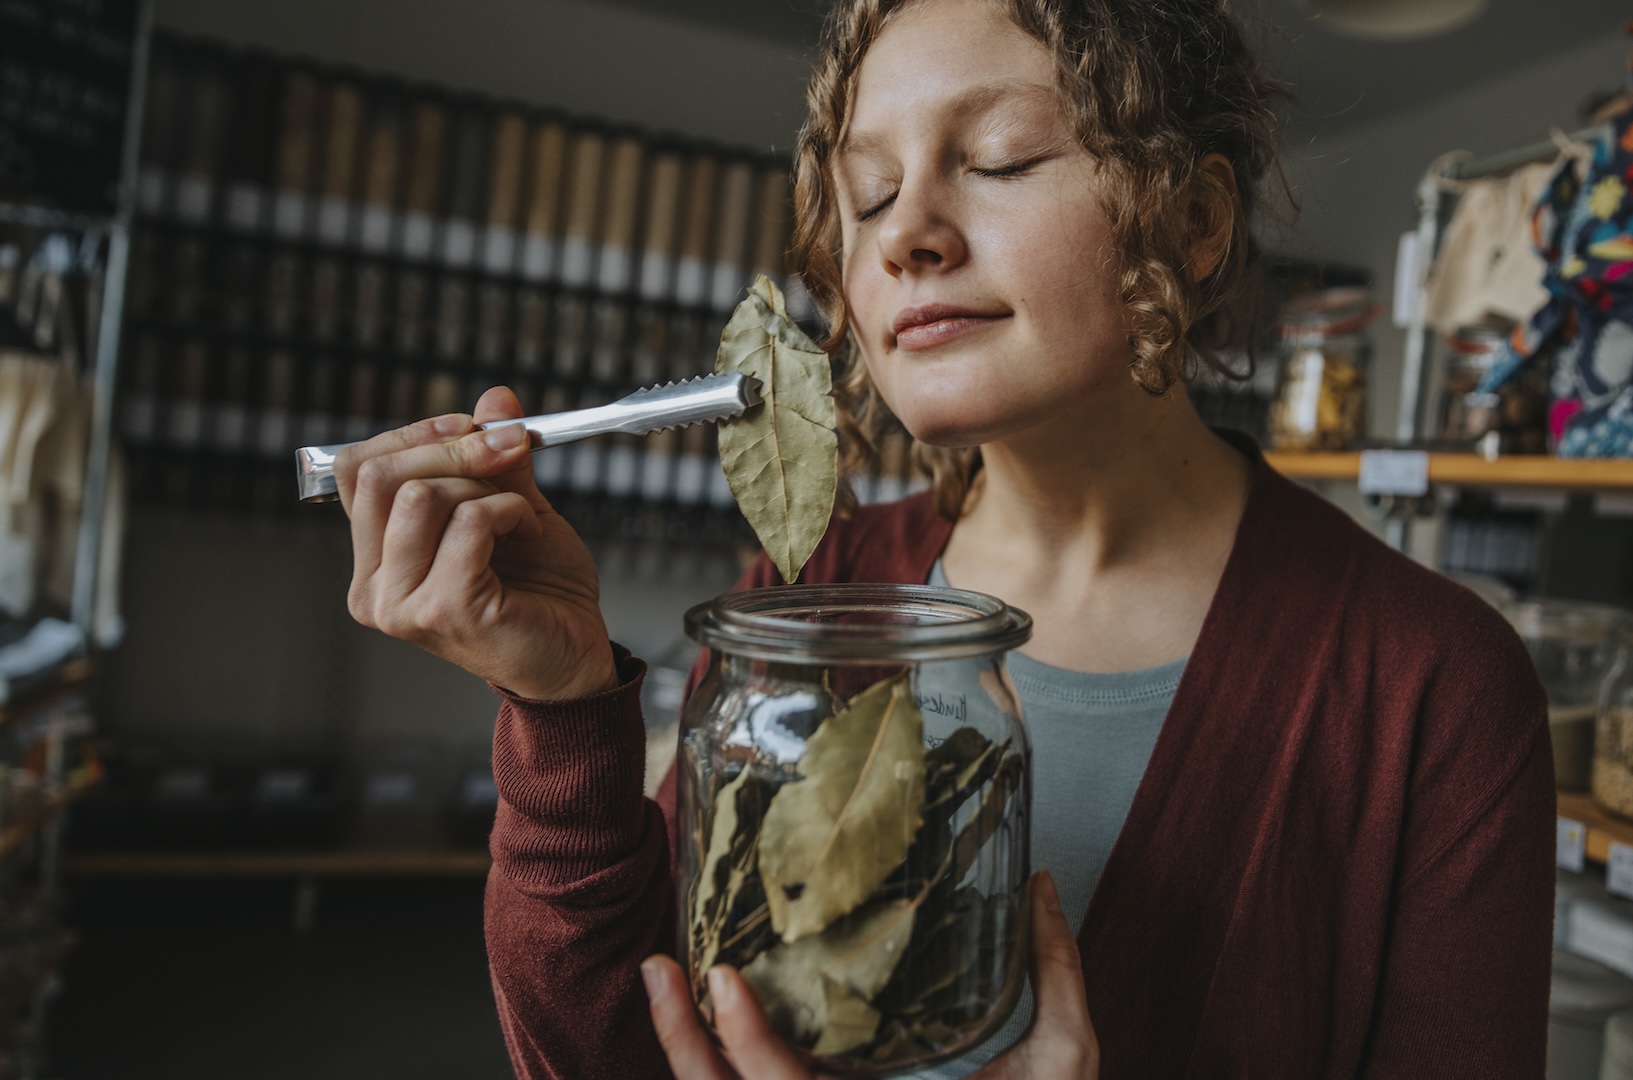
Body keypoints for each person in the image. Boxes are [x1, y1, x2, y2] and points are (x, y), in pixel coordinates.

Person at [332, 0, 1554, 1075]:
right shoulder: (809, 598)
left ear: (1189, 221)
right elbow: (614, 1052)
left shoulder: (1432, 690)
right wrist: (560, 706)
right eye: (867, 195)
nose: (904, 232)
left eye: (1003, 159)